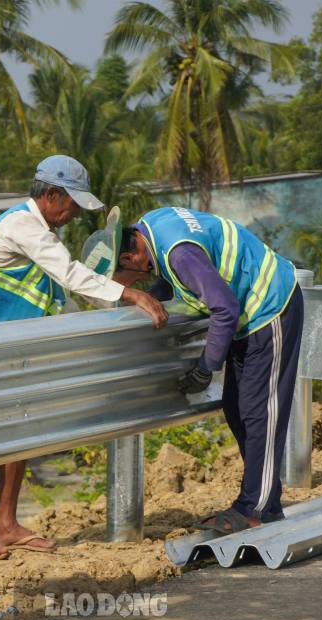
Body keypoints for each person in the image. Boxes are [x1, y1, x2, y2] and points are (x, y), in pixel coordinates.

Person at [0, 155, 168, 561]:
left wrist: (115, 304)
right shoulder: (21, 226)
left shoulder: (44, 236)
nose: (73, 215)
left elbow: (64, 298)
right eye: (72, 204)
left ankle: (7, 524)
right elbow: (72, 274)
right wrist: (131, 294)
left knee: (21, 425)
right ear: (52, 195)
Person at [117, 206, 301, 534]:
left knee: (260, 412)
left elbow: (225, 308)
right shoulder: (152, 228)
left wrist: (206, 367)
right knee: (237, 408)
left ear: (132, 257)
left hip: (270, 306)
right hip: (250, 312)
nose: (133, 282)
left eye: (125, 276)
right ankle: (265, 499)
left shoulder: (179, 254)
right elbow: (184, 282)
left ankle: (255, 507)